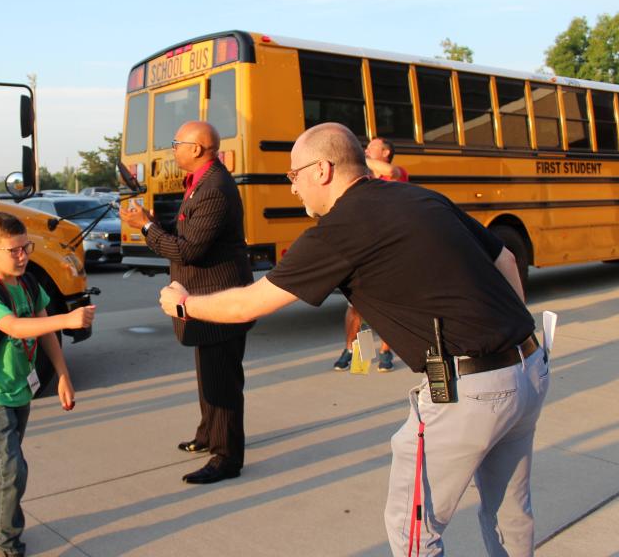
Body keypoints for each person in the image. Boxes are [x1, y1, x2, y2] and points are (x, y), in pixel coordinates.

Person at [158, 123, 548, 555]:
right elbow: (506, 258)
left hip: (467, 391)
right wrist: (515, 343)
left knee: (413, 526)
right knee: (509, 513)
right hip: (528, 368)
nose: (293, 190)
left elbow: (248, 305)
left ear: (322, 169)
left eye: (294, 175)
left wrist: (184, 303)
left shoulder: (338, 231)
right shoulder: (421, 196)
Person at [120, 120, 254, 485]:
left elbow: (188, 249)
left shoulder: (214, 188)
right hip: (202, 298)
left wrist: (145, 228)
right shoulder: (202, 182)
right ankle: (208, 434)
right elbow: (187, 233)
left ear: (197, 149)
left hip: (218, 299)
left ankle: (226, 456)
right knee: (208, 373)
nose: (172, 148)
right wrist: (150, 221)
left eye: (176, 142)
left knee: (222, 380)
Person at [0, 211, 95, 557]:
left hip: (20, 390)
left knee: (3, 464)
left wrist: (63, 376)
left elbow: (46, 333)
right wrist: (68, 317)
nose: (23, 256)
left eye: (27, 247)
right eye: (15, 250)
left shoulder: (28, 284)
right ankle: (6, 542)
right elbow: (15, 327)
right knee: (13, 468)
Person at [334, 136, 409, 372]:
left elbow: (390, 170)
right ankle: (358, 352)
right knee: (357, 306)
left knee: (389, 304)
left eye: (372, 146)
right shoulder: (362, 177)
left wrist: (359, 156)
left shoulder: (396, 174)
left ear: (386, 152)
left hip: (389, 251)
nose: (367, 149)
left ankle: (386, 352)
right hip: (363, 248)